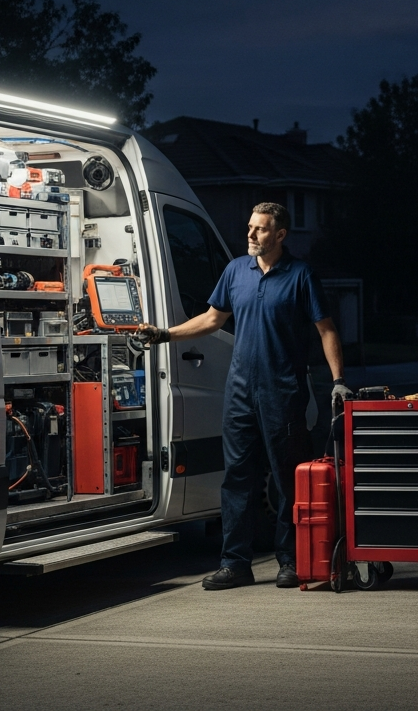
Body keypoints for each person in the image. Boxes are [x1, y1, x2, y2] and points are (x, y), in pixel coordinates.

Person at [137, 203, 350, 590]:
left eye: (261, 229)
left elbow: (327, 329)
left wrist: (338, 380)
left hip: (283, 391)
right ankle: (235, 563)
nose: (251, 235)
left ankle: (291, 560)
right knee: (237, 477)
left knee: (287, 480)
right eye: (250, 227)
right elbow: (212, 319)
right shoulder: (236, 270)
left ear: (280, 235)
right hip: (239, 392)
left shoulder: (301, 276)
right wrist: (165, 334)